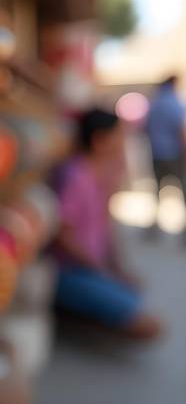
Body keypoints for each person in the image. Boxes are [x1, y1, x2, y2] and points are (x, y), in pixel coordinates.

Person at [52, 108, 161, 339]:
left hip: (89, 268)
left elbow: (105, 230)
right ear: (100, 140)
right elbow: (64, 234)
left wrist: (118, 269)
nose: (122, 142)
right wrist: (100, 270)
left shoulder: (97, 174)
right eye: (117, 136)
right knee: (149, 326)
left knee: (135, 295)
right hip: (70, 270)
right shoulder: (75, 175)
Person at [145, 75, 186, 191]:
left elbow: (145, 128)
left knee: (158, 187)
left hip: (157, 152)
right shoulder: (174, 102)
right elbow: (181, 128)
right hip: (174, 152)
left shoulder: (154, 103)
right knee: (182, 185)